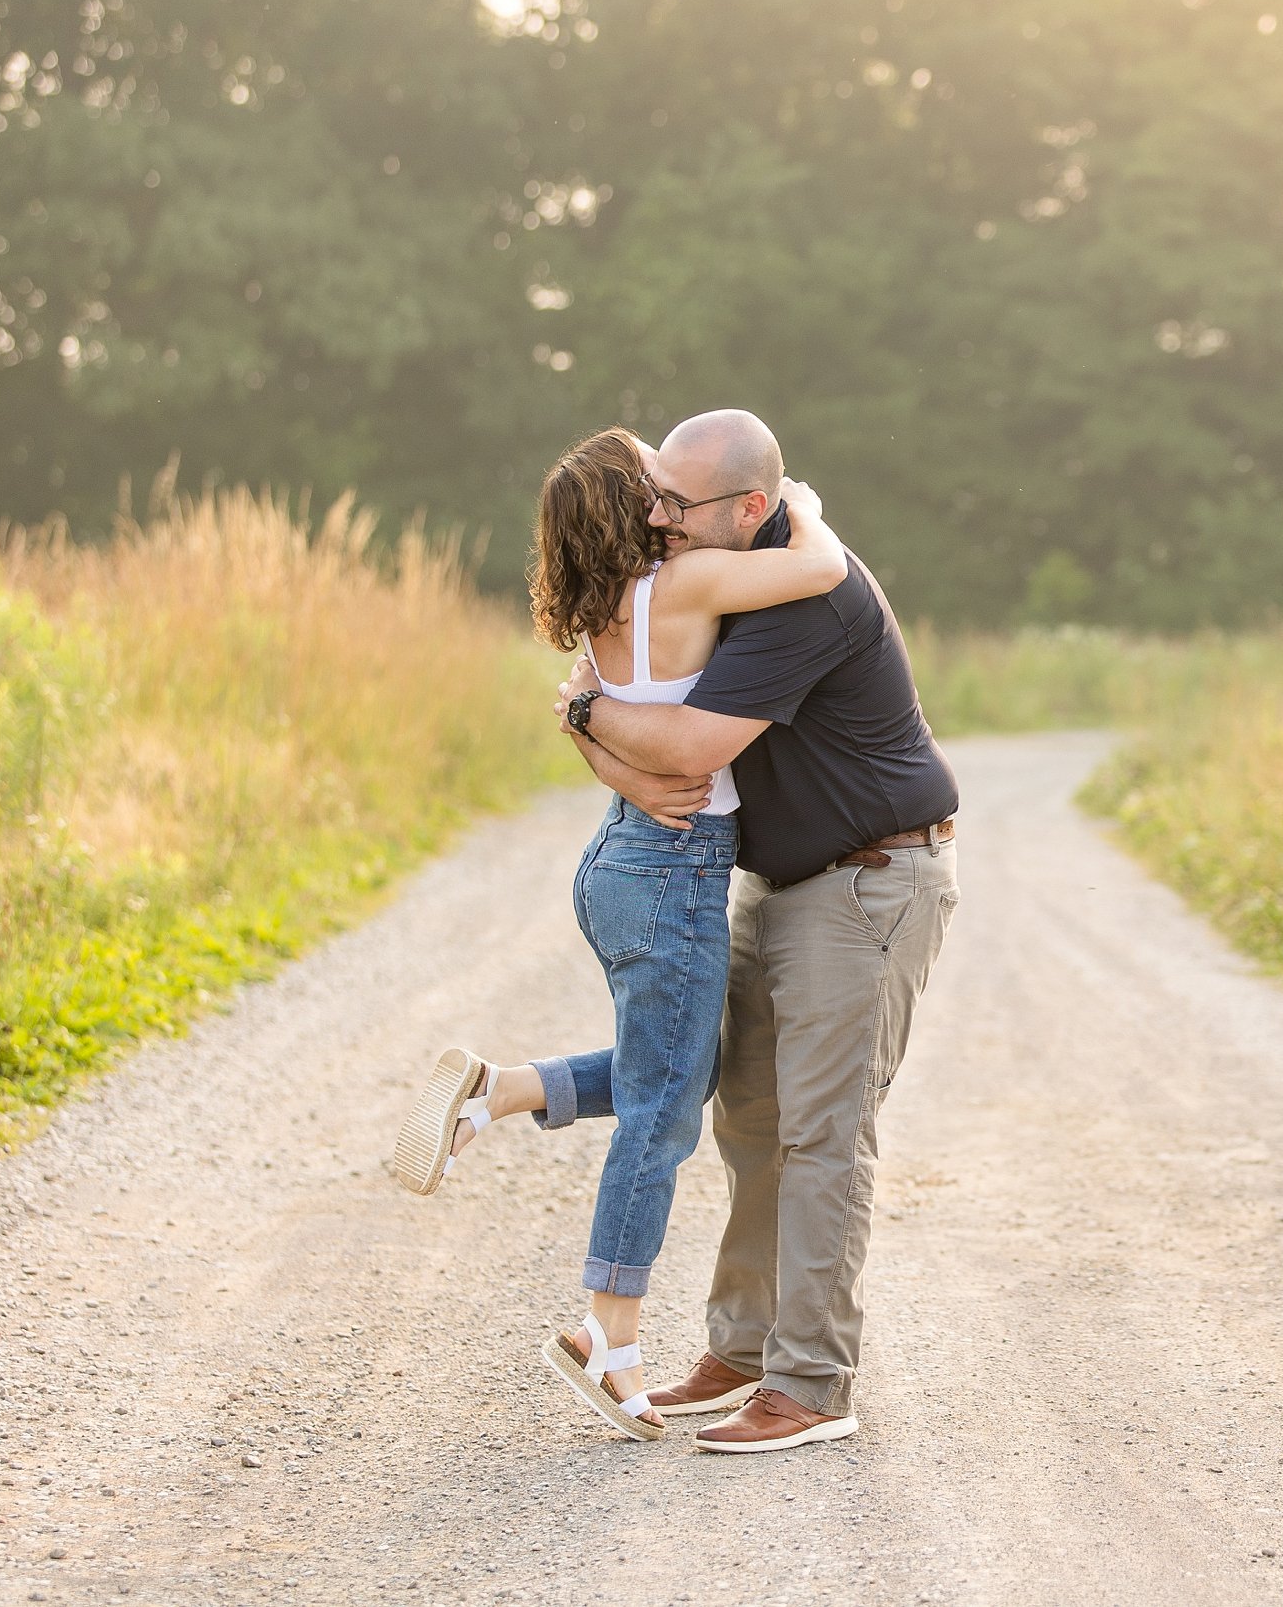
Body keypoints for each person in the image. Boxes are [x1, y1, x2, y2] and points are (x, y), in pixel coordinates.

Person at [383, 421, 848, 1443]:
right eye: (650, 487)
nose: (662, 504)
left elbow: (594, 718)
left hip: (622, 857)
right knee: (660, 1117)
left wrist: (625, 767)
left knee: (676, 1072)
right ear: (625, 510)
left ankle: (499, 1089)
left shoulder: (604, 607)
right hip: (671, 873)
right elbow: (816, 567)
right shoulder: (682, 588)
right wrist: (799, 500)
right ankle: (611, 1334)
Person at [554, 407, 961, 1455]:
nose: (656, 520)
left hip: (869, 878)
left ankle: (813, 1382)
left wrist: (588, 711)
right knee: (745, 1115)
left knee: (821, 1134)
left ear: (747, 506)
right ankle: (743, 1345)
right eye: (653, 498)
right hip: (780, 878)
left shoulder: (803, 593)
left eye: (674, 505)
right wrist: (590, 715)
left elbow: (685, 752)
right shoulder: (726, 565)